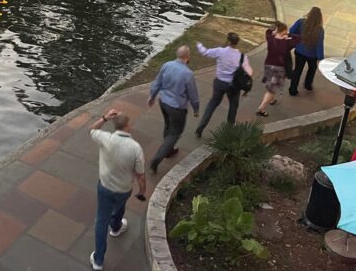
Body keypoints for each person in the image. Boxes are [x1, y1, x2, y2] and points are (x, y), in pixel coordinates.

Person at [89, 109, 146, 271]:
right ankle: (116, 227)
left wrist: (104, 118)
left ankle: (98, 260)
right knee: (120, 206)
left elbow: (92, 130)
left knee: (101, 220)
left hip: (105, 186)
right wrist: (142, 191)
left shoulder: (105, 138)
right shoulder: (136, 148)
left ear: (115, 125)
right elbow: (141, 175)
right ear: (128, 125)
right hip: (123, 189)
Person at [147, 46, 200, 174]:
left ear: (177, 54)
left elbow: (157, 82)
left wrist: (152, 96)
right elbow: (193, 94)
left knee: (168, 125)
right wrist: (196, 109)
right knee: (175, 133)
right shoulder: (188, 74)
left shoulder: (167, 65)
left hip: (163, 102)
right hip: (177, 107)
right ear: (188, 57)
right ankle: (157, 159)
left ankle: (168, 150)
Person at [194, 33, 253, 138]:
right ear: (237, 43)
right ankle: (229, 132)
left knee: (212, 104)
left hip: (220, 83)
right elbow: (250, 72)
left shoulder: (220, 51)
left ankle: (201, 127)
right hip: (233, 86)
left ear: (229, 41)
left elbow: (205, 52)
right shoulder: (242, 56)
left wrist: (199, 45)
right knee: (233, 107)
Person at [256, 23, 300, 115]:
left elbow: (268, 31)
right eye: (285, 31)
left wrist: (276, 33)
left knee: (270, 84)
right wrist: (288, 36)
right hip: (279, 69)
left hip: (268, 65)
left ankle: (272, 100)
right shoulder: (286, 43)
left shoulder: (270, 39)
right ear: (283, 31)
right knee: (272, 89)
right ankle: (261, 108)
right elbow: (299, 38)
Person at [288, 7, 325, 95]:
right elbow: (319, 45)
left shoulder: (301, 22)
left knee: (298, 69)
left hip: (299, 51)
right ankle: (308, 85)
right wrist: (320, 58)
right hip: (312, 55)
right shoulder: (320, 30)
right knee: (312, 69)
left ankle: (293, 90)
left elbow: (291, 31)